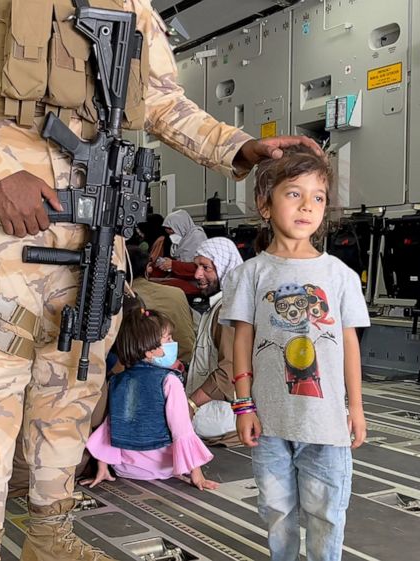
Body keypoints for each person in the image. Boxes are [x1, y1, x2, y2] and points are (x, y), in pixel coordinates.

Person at [0, 0, 321, 556]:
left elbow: (164, 99)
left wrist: (236, 146)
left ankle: (50, 535)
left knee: (72, 384)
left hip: (95, 219)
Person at [221, 146, 369, 561]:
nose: (307, 206)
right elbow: (242, 342)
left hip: (326, 423)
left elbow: (349, 346)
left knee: (326, 512)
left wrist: (355, 408)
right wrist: (243, 405)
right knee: (276, 509)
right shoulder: (250, 274)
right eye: (293, 194)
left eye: (318, 197)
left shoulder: (339, 276)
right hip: (269, 421)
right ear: (264, 205)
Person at [81, 299, 216, 492]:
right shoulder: (170, 381)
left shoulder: (117, 381)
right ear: (150, 351)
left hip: (125, 467)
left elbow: (111, 425)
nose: (173, 343)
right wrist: (197, 475)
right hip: (161, 468)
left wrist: (102, 468)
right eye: (168, 339)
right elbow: (182, 429)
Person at [185, 237, 244, 444]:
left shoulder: (227, 311)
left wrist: (190, 405)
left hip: (225, 417)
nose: (197, 274)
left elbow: (229, 372)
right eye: (196, 267)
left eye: (206, 268)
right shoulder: (220, 306)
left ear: (224, 267)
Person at [128, 247, 195, 366]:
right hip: (188, 361)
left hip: (149, 366)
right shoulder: (177, 292)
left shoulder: (128, 299)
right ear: (148, 268)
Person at [150, 210, 206, 296]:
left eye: (173, 232)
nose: (171, 236)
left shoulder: (197, 238)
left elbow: (200, 267)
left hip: (197, 282)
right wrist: (168, 263)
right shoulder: (182, 240)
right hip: (183, 277)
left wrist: (173, 265)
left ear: (180, 226)